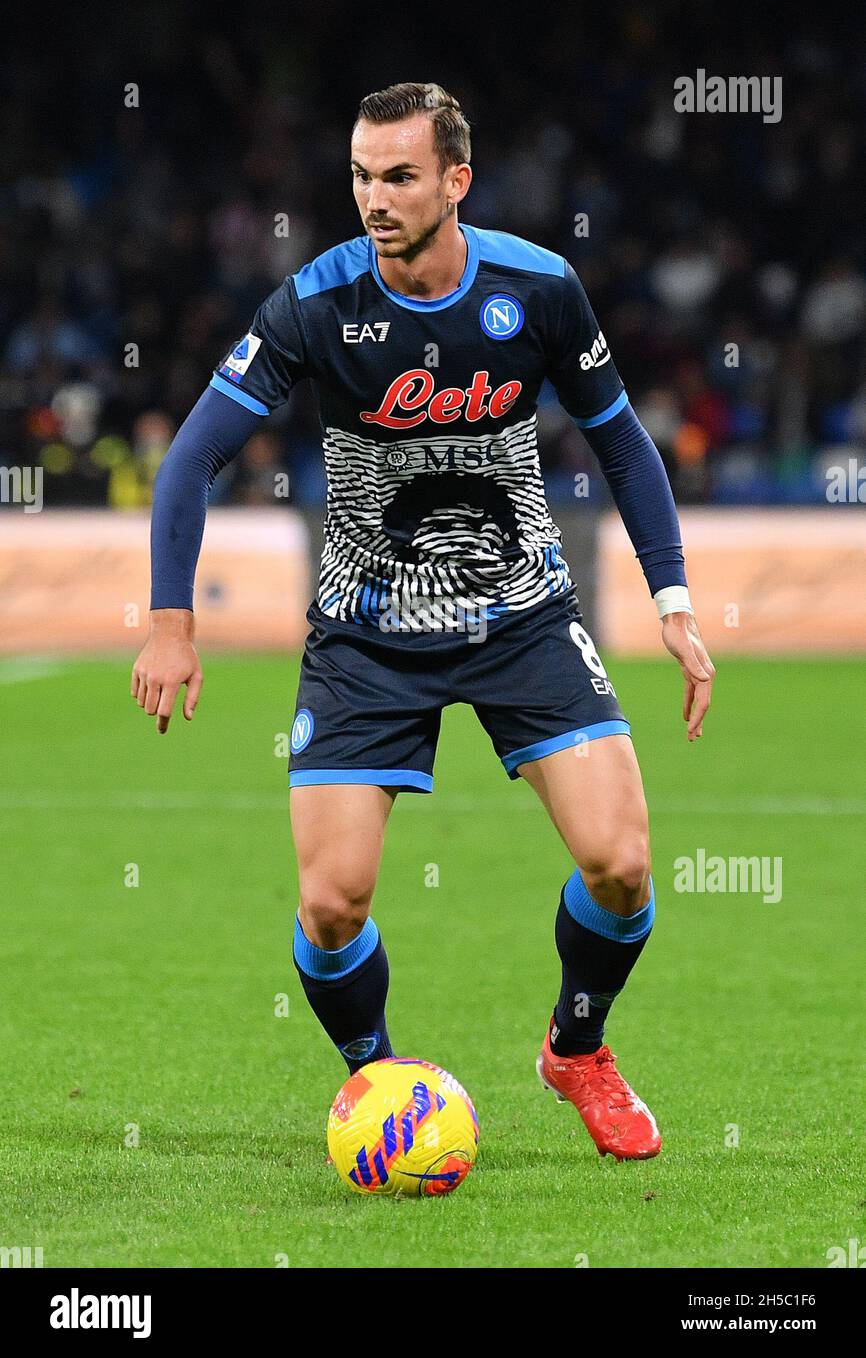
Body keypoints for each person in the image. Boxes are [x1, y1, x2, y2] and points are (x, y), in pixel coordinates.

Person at [132, 82, 715, 1162]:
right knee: (331, 905)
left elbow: (624, 444)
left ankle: (575, 1049)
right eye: (359, 175)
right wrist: (170, 621)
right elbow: (190, 459)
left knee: (622, 863)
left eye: (397, 176)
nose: (372, 198)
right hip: (364, 631)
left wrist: (671, 602)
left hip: (520, 615)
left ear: (456, 180)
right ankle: (379, 1082)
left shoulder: (537, 289)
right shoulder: (313, 303)